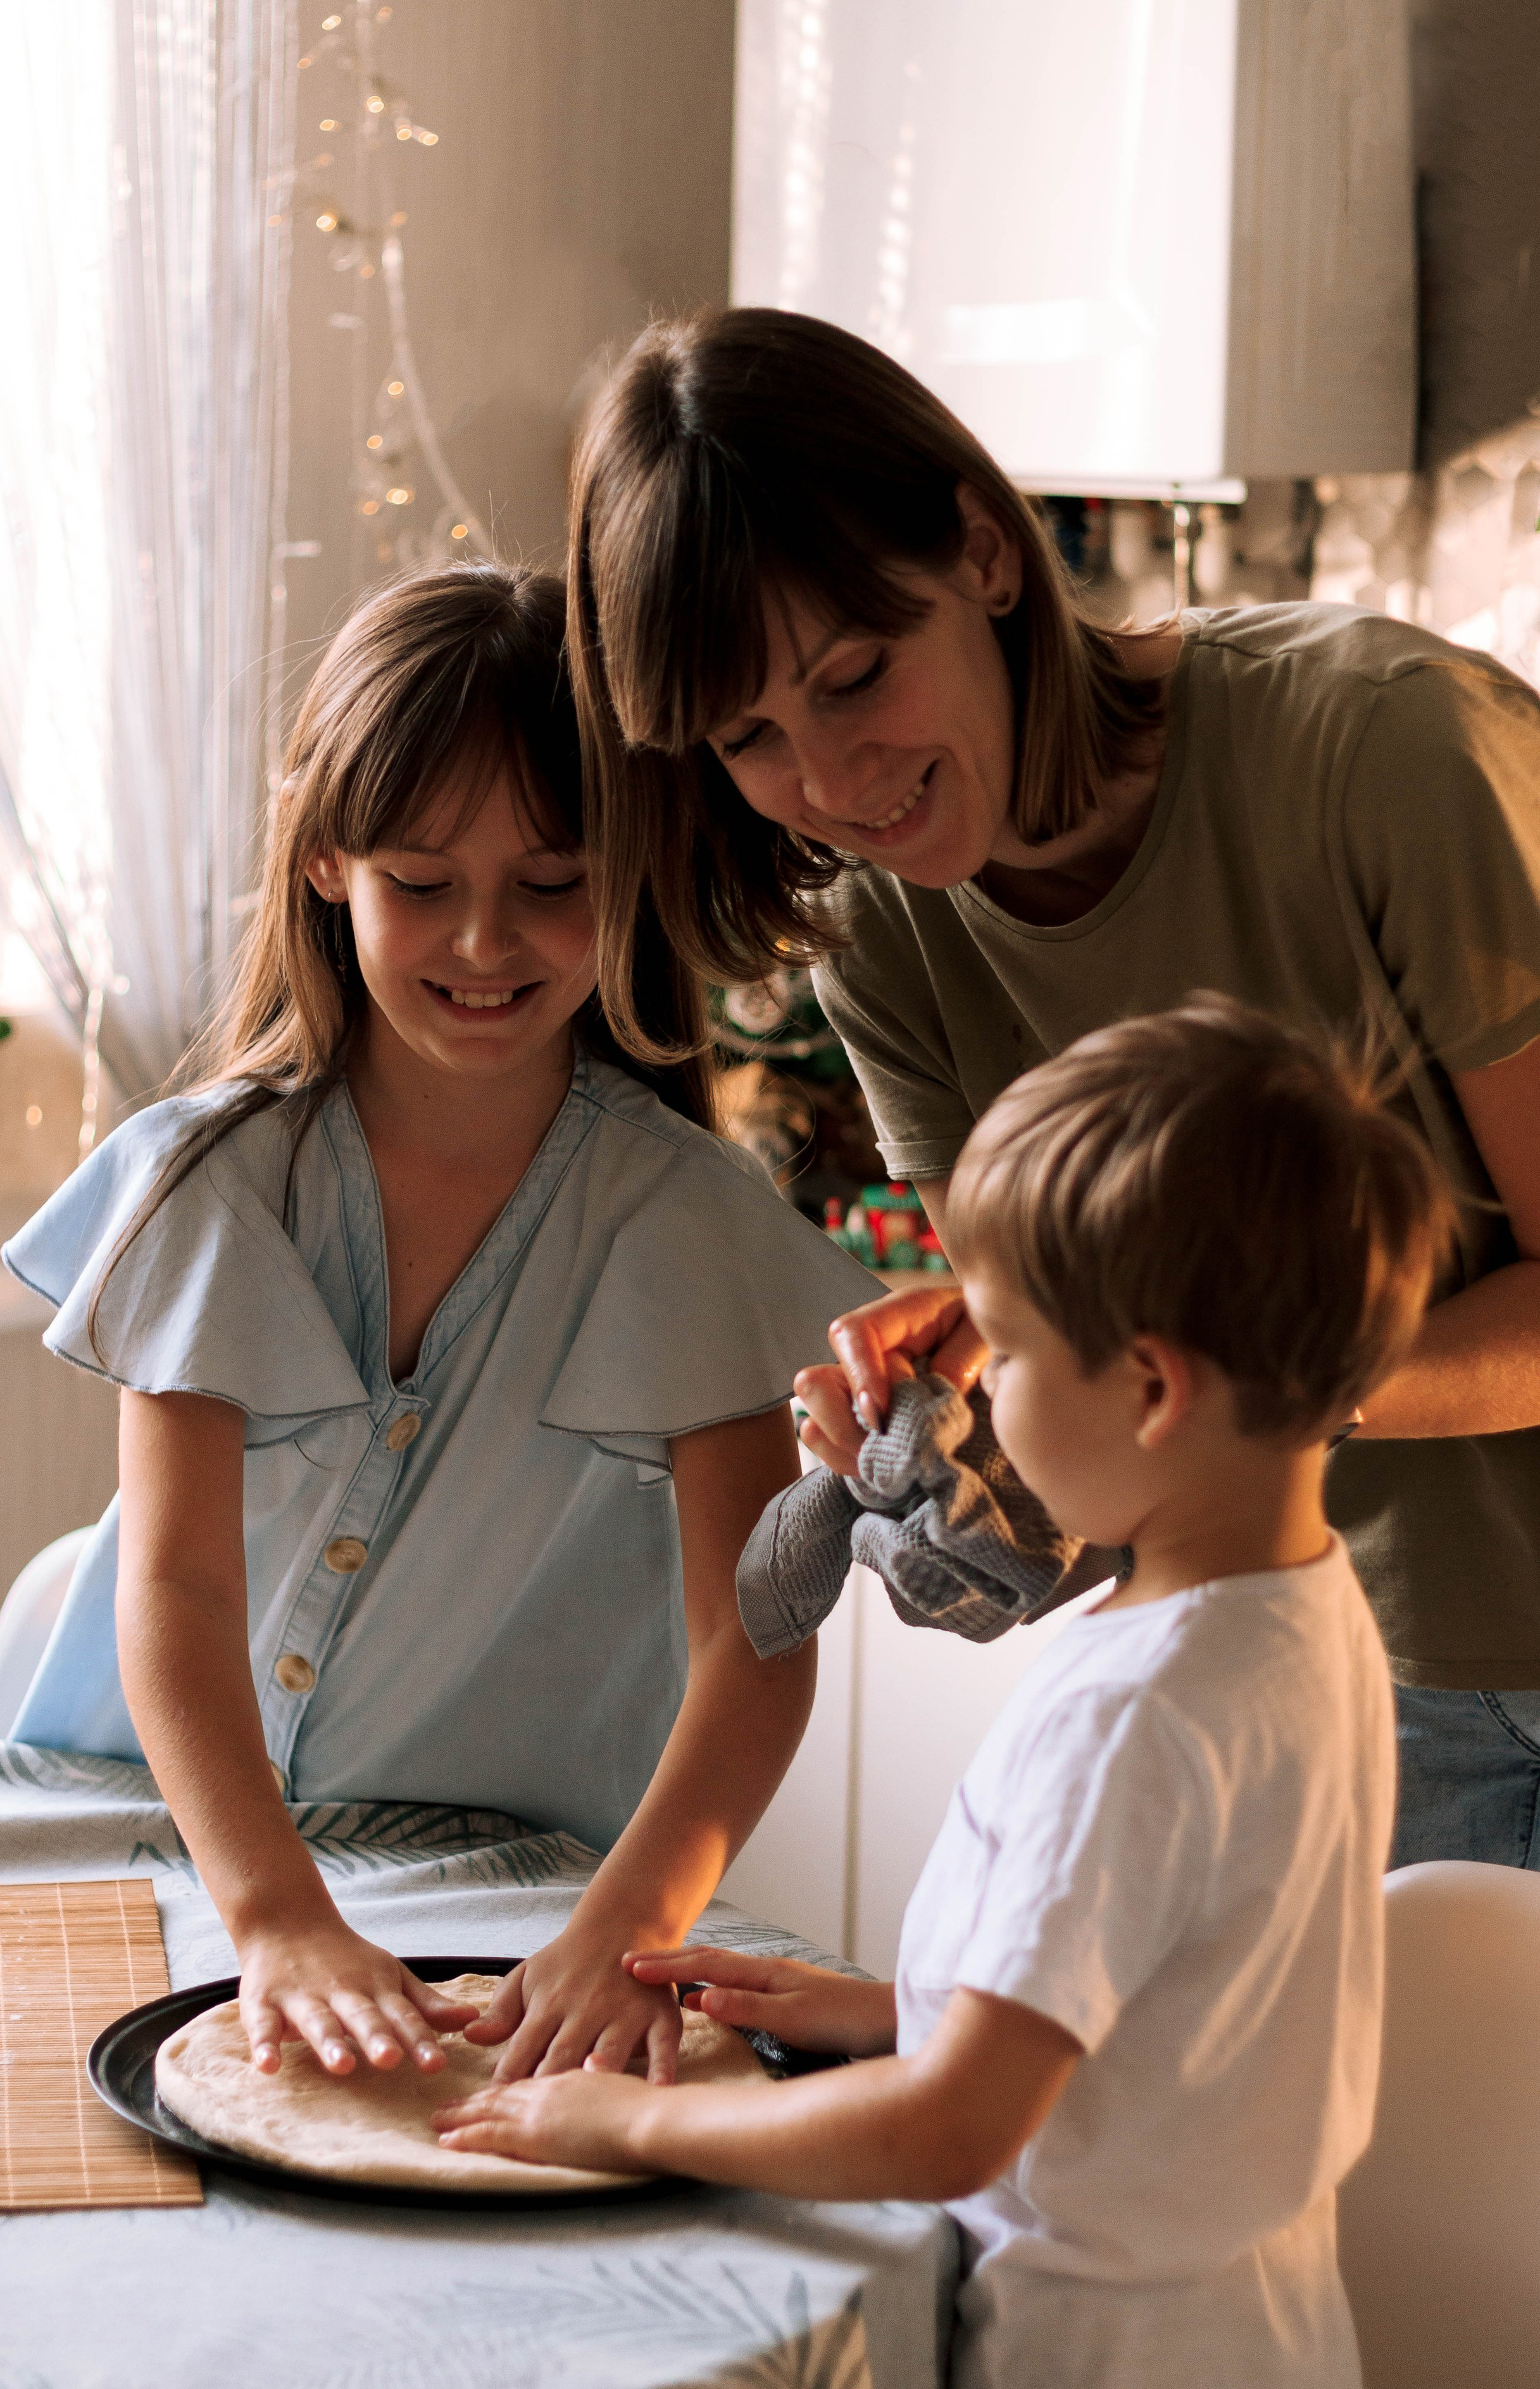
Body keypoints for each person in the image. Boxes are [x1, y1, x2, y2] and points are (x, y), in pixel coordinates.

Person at [565, 304, 1540, 1869]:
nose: (826, 784)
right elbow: (1112, 1407)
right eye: (746, 735)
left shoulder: (1383, 753)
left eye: (853, 674)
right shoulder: (882, 941)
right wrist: (984, 1425)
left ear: (984, 555)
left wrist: (1229, 1393)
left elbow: (1185, 1390)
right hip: (1332, 1673)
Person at [437, 998, 1453, 2389]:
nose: (982, 1401)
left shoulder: (1138, 1716)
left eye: (1013, 1354)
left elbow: (947, 2139)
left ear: (1152, 1388)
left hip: (1100, 2366)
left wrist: (625, 2126)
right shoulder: (1302, 1610)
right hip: (1259, 2337)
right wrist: (898, 2007)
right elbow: (1172, 2000)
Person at [1, 564, 874, 2086]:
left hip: (504, 1895)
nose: (485, 942)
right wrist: (272, 1911)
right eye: (422, 880)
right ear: (330, 863)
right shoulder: (211, 1182)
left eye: (552, 883)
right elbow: (181, 1589)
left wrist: (630, 1921)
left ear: (635, 872)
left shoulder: (680, 1225)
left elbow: (749, 1635)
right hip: (146, 1842)